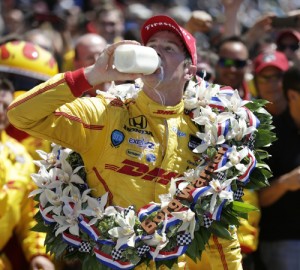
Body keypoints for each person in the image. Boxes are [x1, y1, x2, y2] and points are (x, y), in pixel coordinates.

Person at [7, 15, 243, 269]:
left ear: (189, 70)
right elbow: (21, 115)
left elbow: (217, 229)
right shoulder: (106, 113)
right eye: (151, 46)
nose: (156, 52)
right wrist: (92, 74)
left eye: (169, 48)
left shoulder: (210, 132)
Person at [0, 77, 54, 270]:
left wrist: (38, 253)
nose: (0, 112)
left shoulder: (20, 155)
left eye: (4, 105)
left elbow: (30, 212)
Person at [256, 66, 300, 270]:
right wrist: (285, 183)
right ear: (292, 95)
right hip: (283, 240)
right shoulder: (269, 136)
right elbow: (256, 200)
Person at [214, 36, 252, 100]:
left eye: (239, 63)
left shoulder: (255, 103)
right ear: (217, 64)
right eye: (227, 62)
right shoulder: (199, 94)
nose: (232, 69)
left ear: (248, 66)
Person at [252, 50, 289, 116]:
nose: (271, 84)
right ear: (255, 83)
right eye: (263, 78)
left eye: (277, 76)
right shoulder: (249, 117)